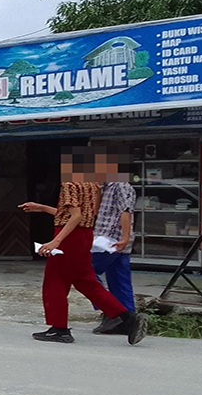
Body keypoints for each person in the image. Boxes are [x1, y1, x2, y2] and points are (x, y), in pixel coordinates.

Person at [19, 147, 147, 345]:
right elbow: (82, 216)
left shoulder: (70, 184)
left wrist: (56, 241)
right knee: (87, 282)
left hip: (69, 237)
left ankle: (59, 329)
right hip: (85, 236)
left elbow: (75, 216)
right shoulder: (92, 186)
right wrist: (42, 208)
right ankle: (127, 318)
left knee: (54, 282)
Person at [91, 151, 138, 334]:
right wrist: (96, 190)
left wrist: (125, 238)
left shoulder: (121, 186)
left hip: (110, 240)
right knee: (119, 279)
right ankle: (127, 319)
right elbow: (95, 212)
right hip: (106, 239)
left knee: (85, 272)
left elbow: (125, 212)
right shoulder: (105, 187)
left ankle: (111, 311)